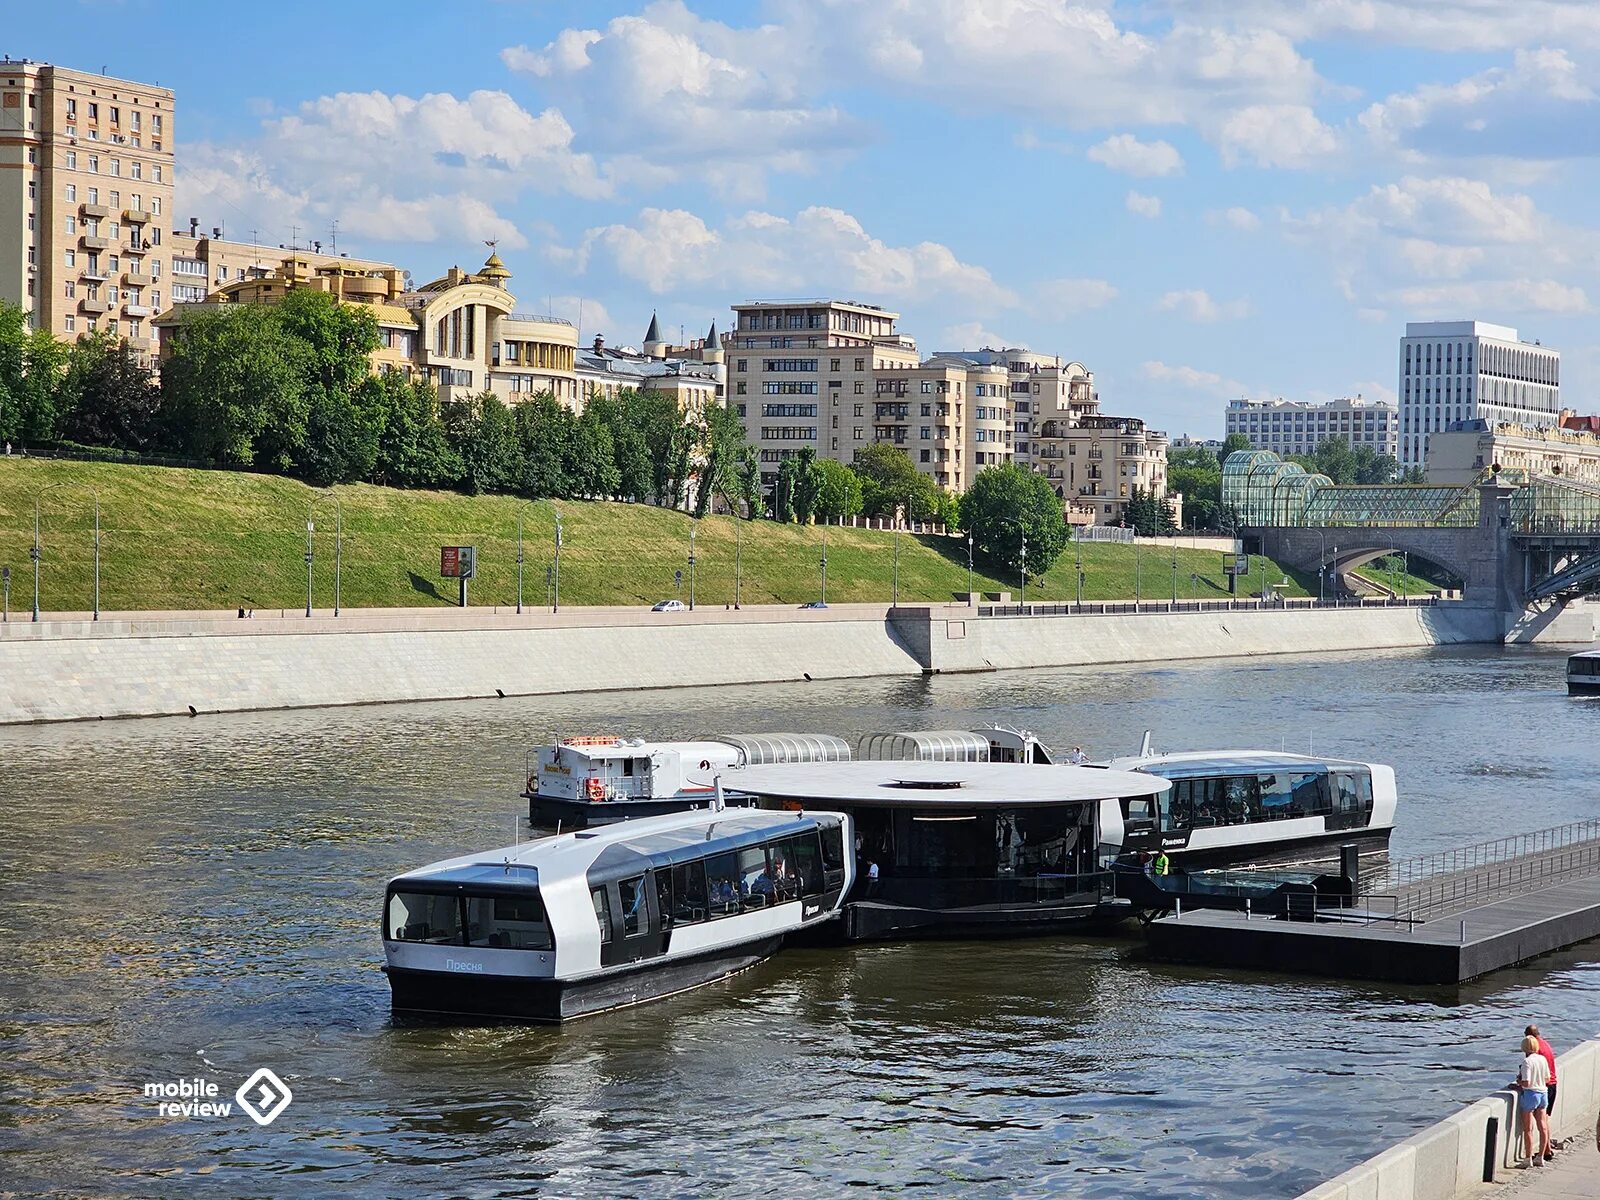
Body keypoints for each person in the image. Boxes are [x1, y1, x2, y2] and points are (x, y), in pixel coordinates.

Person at [1513, 1033, 1552, 1167]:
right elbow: (1547, 1079)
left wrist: (1519, 1082)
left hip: (1530, 1095)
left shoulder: (1527, 1062)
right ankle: (1540, 1157)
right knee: (1543, 1127)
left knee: (1528, 1129)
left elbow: (1527, 1083)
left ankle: (1528, 1158)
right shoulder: (1542, 1059)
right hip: (1543, 1094)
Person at [1526, 1024, 1558, 1123]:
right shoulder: (1545, 1043)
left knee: (1540, 1121)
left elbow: (1529, 1069)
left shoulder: (1534, 1048)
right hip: (1552, 1084)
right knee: (1545, 1120)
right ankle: (1547, 1139)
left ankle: (1544, 1139)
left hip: (1543, 1087)